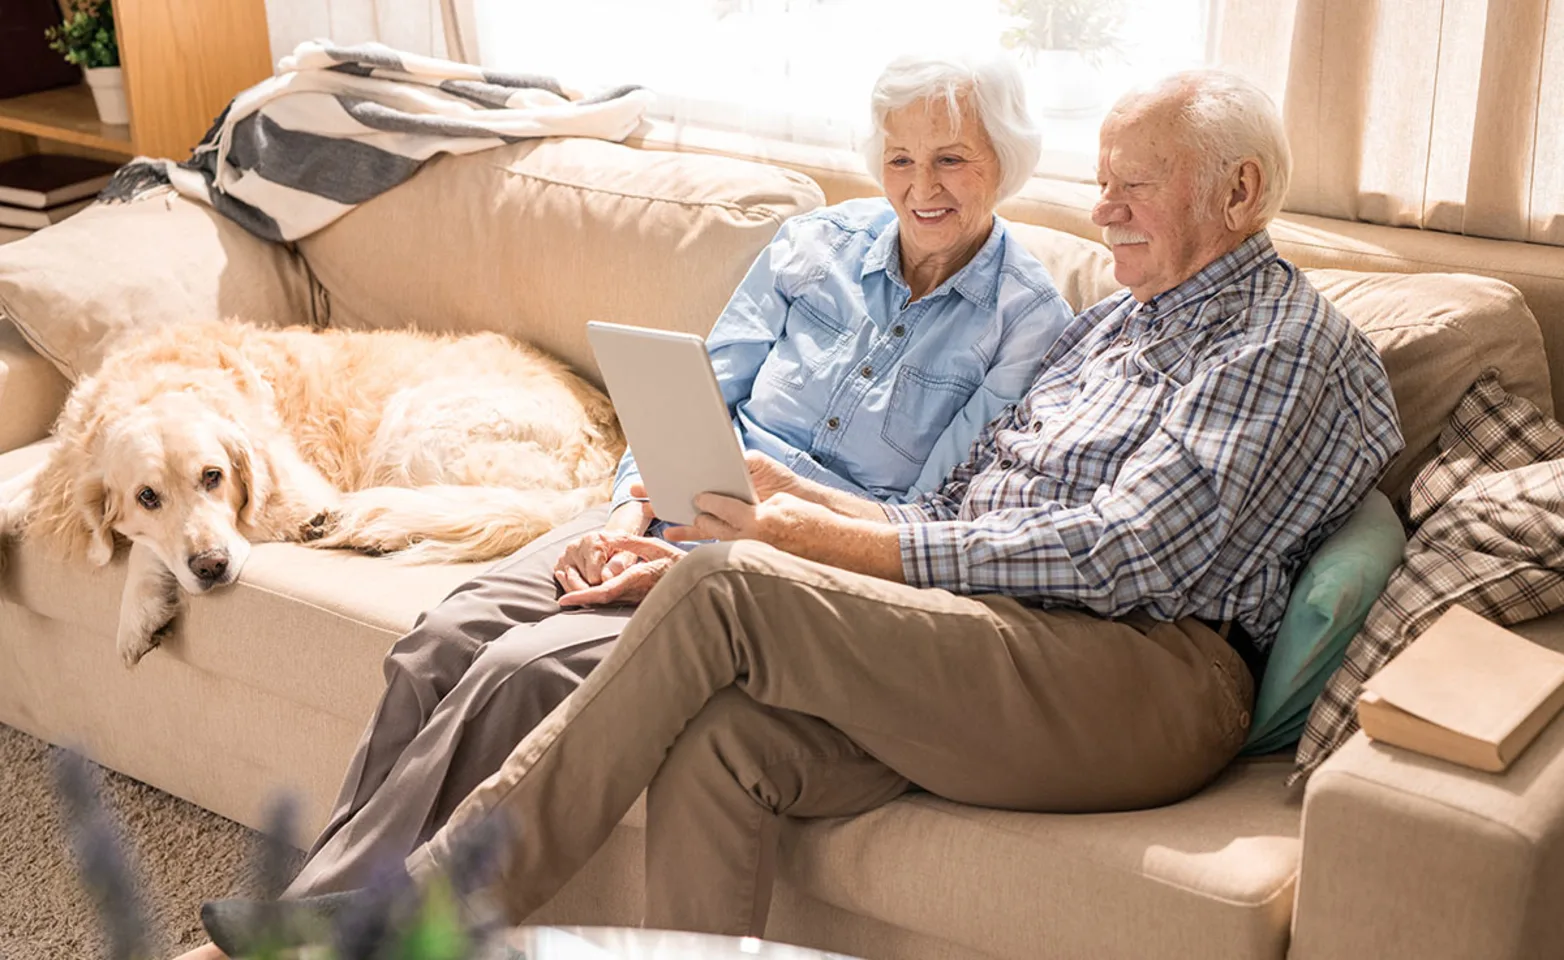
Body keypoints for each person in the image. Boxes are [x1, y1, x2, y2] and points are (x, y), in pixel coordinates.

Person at [190, 66, 1403, 957]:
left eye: (1134, 188)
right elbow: (983, 498)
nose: (1102, 214)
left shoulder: (1279, 341)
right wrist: (782, 496)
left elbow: (1134, 547)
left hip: (1143, 670)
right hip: (1015, 627)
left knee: (728, 586)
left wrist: (817, 538)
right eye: (1104, 186)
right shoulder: (1125, 320)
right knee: (730, 743)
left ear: (1238, 191)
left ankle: (409, 919)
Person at [278, 49, 1073, 904]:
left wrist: (745, 539)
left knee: (527, 669)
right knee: (438, 641)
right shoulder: (815, 244)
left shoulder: (1029, 323)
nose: (922, 186)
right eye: (901, 158)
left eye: (951, 157)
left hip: (784, 572)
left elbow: (920, 525)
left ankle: (327, 932)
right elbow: (690, 396)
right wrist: (621, 523)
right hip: (662, 504)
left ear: (1006, 161)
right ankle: (314, 911)